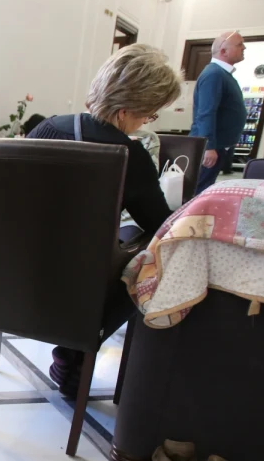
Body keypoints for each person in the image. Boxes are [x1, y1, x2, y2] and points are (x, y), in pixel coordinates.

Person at [26, 44, 182, 397]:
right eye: (149, 115)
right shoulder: (130, 154)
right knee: (150, 256)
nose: (147, 122)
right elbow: (161, 223)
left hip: (19, 278)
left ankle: (71, 350)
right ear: (127, 110)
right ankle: (78, 348)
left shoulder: (45, 129)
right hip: (77, 294)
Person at [191, 30, 247, 193]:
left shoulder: (222, 74)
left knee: (204, 187)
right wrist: (209, 146)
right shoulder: (214, 74)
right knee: (198, 189)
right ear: (223, 51)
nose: (244, 48)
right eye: (239, 45)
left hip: (219, 144)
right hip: (211, 146)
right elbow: (206, 112)